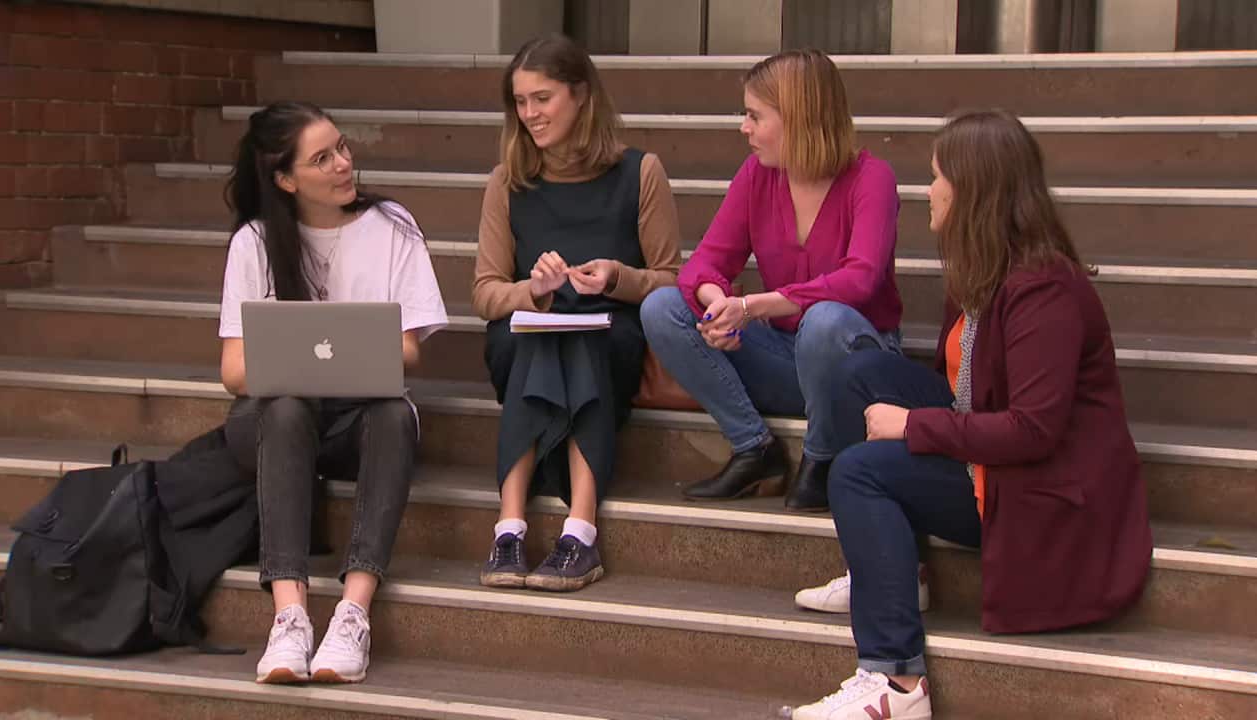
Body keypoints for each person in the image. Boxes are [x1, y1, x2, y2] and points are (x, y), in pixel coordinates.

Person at [792, 110, 1152, 720]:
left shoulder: (1046, 288)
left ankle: (896, 685)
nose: (926, 190)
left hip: (1038, 493)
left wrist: (914, 428)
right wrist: (919, 420)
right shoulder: (980, 270)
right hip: (990, 462)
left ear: (973, 188)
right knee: (858, 374)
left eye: (936, 177)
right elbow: (961, 388)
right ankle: (896, 573)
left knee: (858, 472)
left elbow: (1032, 430)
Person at [218, 102, 449, 684]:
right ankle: (290, 616)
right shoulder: (254, 242)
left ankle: (353, 612)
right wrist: (298, 365)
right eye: (323, 158)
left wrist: (337, 355)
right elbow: (234, 372)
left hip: (356, 419)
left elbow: (409, 350)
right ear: (286, 179)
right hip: (274, 421)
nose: (344, 164)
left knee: (395, 414)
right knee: (288, 406)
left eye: (342, 148)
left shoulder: (393, 224)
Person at [640, 49, 902, 512]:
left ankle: (822, 459)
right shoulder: (758, 176)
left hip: (856, 364)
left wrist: (754, 306)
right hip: (785, 360)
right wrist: (718, 303)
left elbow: (859, 281)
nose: (745, 128)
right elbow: (703, 263)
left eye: (755, 116)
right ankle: (755, 448)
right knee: (661, 308)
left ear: (798, 117)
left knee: (823, 322)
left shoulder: (871, 179)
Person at [473, 34, 681, 592]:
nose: (529, 114)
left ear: (581, 95)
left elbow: (671, 281)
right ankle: (512, 527)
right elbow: (486, 292)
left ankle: (579, 529)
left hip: (608, 335)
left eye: (542, 98)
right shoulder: (507, 181)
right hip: (527, 336)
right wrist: (533, 292)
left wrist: (618, 276)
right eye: (519, 102)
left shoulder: (641, 172)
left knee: (584, 339)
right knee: (540, 337)